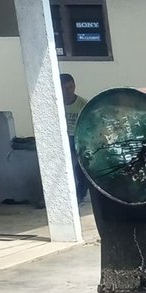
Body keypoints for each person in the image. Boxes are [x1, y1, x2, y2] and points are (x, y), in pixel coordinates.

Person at [60, 73, 87, 202]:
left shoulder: (83, 104)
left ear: (74, 86)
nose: (67, 91)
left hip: (78, 138)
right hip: (62, 138)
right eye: (63, 88)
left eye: (70, 87)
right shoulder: (55, 105)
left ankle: (80, 193)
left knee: (80, 166)